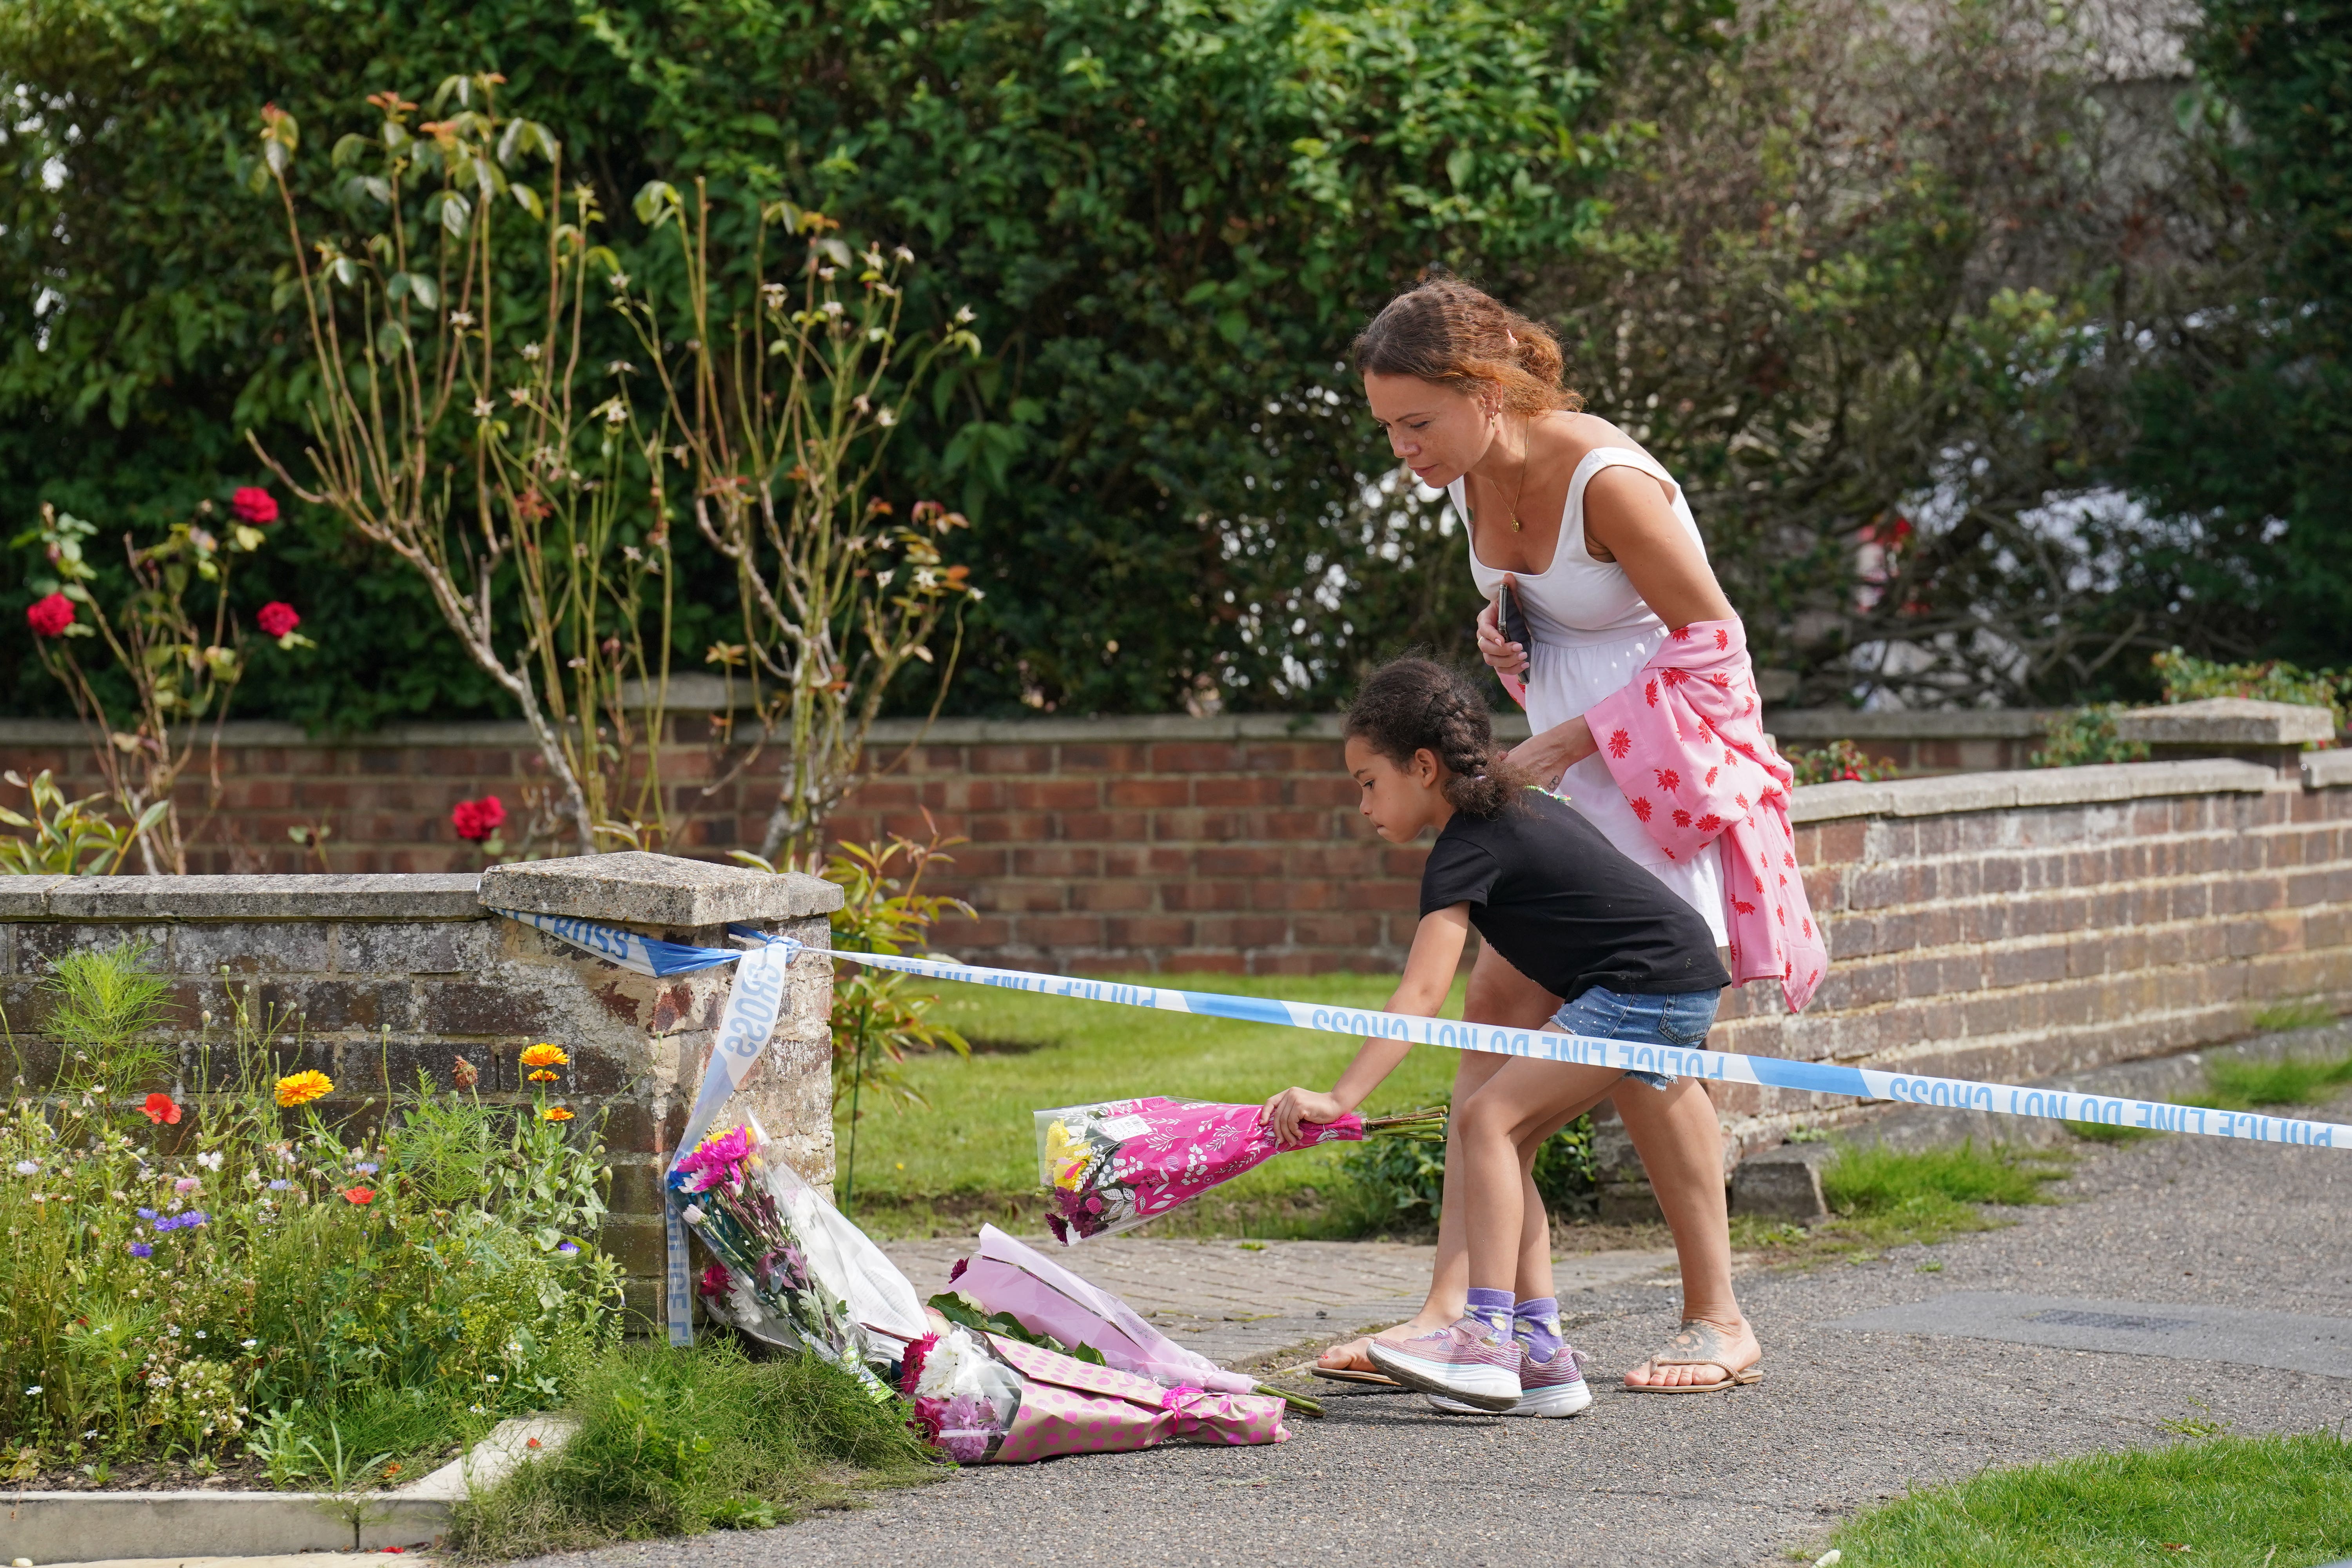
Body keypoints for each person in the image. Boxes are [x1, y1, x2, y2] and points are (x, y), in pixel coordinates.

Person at [1312, 271, 1825, 1394]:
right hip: (1563, 791)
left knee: (1645, 1063)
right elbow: (1560, 623)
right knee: (1491, 1032)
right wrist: (1510, 646)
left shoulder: (1611, 482)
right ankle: (1456, 1315)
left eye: (1416, 422)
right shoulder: (1466, 482)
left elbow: (1716, 646)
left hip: (1652, 789)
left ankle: (1719, 1319)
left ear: (1487, 389)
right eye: (1388, 427)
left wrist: (1559, 744)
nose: (1403, 449)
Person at [1263, 658, 1737, 1415]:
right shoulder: (1509, 812)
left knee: (1485, 1117)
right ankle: (1543, 1355)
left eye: (1366, 783)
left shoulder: (1466, 847)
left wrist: (1339, 1096)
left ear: (1423, 767)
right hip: (1668, 974)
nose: (1362, 806)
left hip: (1644, 985)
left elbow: (1422, 992)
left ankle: (1485, 1338)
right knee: (1505, 1139)